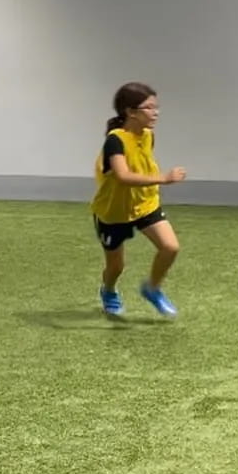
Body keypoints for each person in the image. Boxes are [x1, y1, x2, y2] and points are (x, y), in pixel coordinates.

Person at [90, 82, 186, 318]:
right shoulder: (115, 140)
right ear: (130, 112)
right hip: (113, 212)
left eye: (157, 107)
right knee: (116, 266)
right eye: (149, 107)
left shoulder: (148, 135)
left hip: (144, 205)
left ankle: (152, 288)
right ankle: (109, 290)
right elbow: (122, 176)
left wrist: (155, 186)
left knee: (170, 247)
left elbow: (142, 164)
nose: (156, 112)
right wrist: (163, 178)